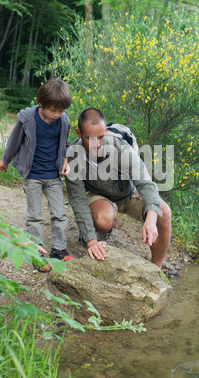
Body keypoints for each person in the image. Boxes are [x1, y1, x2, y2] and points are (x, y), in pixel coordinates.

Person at [65, 108, 171, 269]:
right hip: (100, 196)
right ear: (79, 134)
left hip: (129, 193)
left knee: (163, 212)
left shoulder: (121, 149)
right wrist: (91, 241)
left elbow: (146, 184)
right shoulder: (73, 155)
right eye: (90, 138)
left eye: (101, 137)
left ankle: (156, 269)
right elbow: (78, 200)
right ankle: (96, 232)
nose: (97, 144)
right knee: (103, 219)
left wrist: (151, 218)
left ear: (106, 131)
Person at [0, 79, 72, 272]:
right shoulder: (27, 119)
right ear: (41, 103)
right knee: (35, 216)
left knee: (59, 214)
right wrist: (5, 159)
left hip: (53, 175)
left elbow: (65, 145)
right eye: (53, 110)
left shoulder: (63, 121)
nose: (57, 114)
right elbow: (15, 140)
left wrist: (65, 161)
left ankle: (58, 249)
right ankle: (35, 252)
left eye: (61, 110)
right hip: (33, 175)